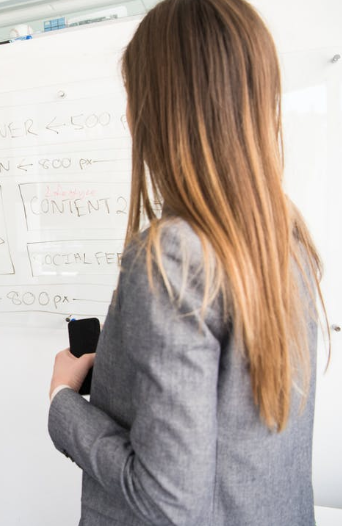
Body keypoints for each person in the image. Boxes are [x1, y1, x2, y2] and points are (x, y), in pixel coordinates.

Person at [48, 0, 328, 524]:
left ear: (157, 111)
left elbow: (169, 499)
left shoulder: (173, 256)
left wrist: (63, 401)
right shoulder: (285, 240)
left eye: (133, 96)